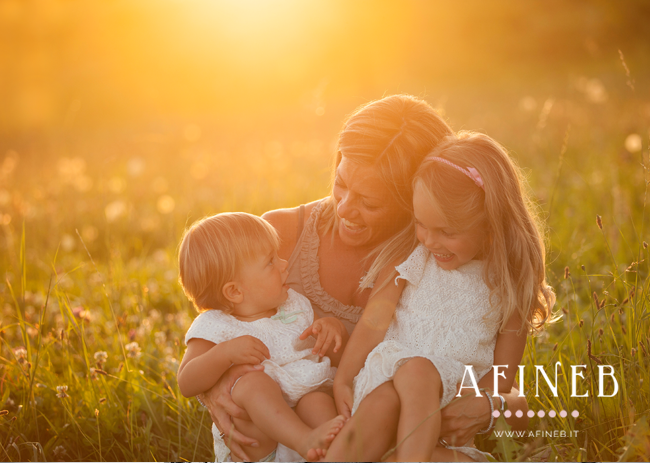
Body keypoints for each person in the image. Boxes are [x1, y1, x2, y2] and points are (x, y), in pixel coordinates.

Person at [199, 95, 532, 462]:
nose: (343, 208)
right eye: (341, 183)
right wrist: (215, 385)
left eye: (369, 202)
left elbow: (507, 392)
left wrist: (491, 407)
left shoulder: (428, 257)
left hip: (368, 434)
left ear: (415, 198)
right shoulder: (275, 237)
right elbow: (214, 324)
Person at [331, 131, 556, 461]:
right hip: (387, 387)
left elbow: (501, 380)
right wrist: (342, 380)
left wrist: (483, 407)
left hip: (450, 410)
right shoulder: (411, 258)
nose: (429, 241)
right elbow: (373, 324)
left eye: (447, 232)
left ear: (490, 226)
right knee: (406, 379)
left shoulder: (506, 287)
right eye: (421, 224)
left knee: (423, 385)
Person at [176, 212, 349, 462]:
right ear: (235, 291)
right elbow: (186, 382)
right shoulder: (214, 324)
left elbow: (326, 353)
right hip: (258, 443)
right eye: (270, 262)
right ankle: (304, 440)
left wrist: (332, 328)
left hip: (305, 413)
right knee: (253, 383)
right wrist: (224, 354)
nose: (284, 263)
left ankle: (329, 455)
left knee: (318, 401)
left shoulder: (293, 305)